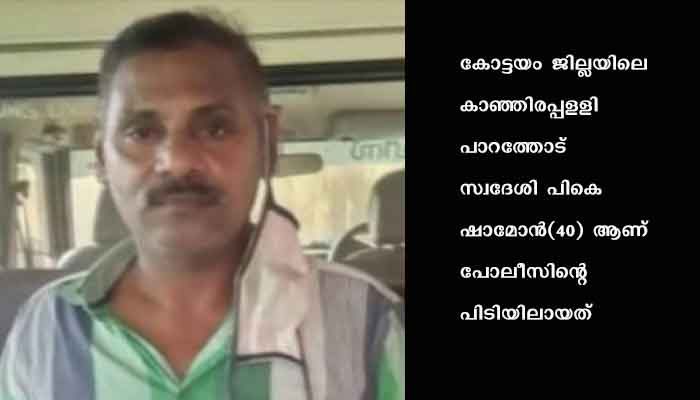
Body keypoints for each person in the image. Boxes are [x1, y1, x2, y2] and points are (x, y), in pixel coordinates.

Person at [0, 11, 404, 400]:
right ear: (102, 159)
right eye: (142, 132)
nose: (178, 160)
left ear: (268, 143)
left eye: (216, 128)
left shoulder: (366, 322)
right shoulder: (47, 328)